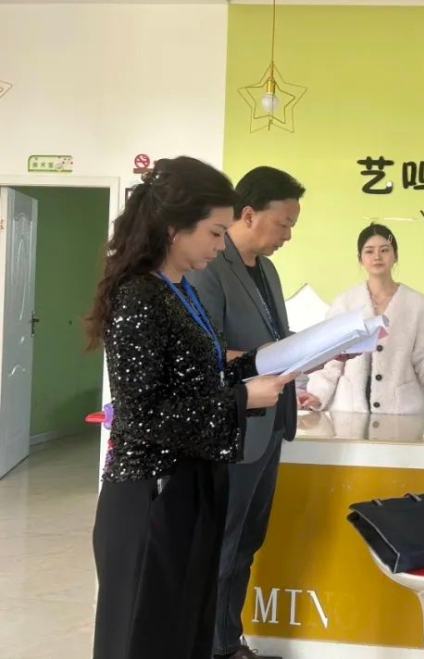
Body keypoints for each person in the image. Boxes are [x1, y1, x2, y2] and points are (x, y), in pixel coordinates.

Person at [84, 157, 295, 659]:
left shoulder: (178, 291)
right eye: (215, 233)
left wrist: (267, 366)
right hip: (151, 493)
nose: (221, 246)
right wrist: (243, 398)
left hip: (190, 483)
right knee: (144, 636)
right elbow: (142, 415)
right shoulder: (139, 295)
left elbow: (204, 372)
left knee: (184, 629)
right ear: (174, 228)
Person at [186, 166, 305, 659]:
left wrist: (313, 350)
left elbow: (272, 342)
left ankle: (230, 641)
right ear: (249, 214)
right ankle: (212, 646)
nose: (288, 235)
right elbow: (205, 354)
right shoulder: (210, 267)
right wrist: (275, 359)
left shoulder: (267, 270)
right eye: (284, 223)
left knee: (248, 542)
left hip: (271, 426)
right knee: (224, 544)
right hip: (232, 427)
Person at [300, 224, 424, 415]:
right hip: (350, 410)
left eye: (384, 250)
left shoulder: (417, 303)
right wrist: (317, 393)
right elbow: (330, 356)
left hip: (401, 410)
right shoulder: (346, 302)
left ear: (395, 255)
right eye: (369, 251)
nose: (377, 256)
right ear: (360, 258)